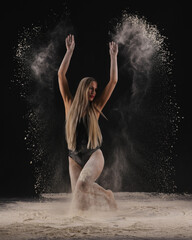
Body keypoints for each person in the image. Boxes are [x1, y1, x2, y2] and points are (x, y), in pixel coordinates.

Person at [58, 34, 118, 210]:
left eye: (95, 90)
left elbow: (113, 81)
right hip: (73, 158)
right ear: (83, 88)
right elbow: (61, 74)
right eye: (90, 89)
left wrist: (113, 57)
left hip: (93, 155)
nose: (93, 92)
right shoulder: (69, 104)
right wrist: (69, 52)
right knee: (78, 208)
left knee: (83, 185)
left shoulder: (96, 108)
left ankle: (107, 195)